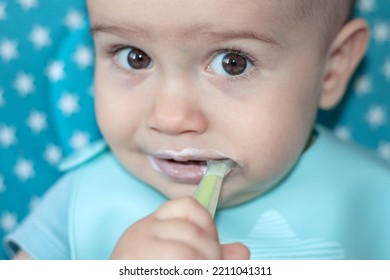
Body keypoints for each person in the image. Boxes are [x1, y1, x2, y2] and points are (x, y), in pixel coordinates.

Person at [4, 0, 390, 260]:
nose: (170, 119)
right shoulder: (80, 204)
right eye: (134, 58)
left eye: (233, 63)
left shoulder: (375, 200)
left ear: (333, 68)